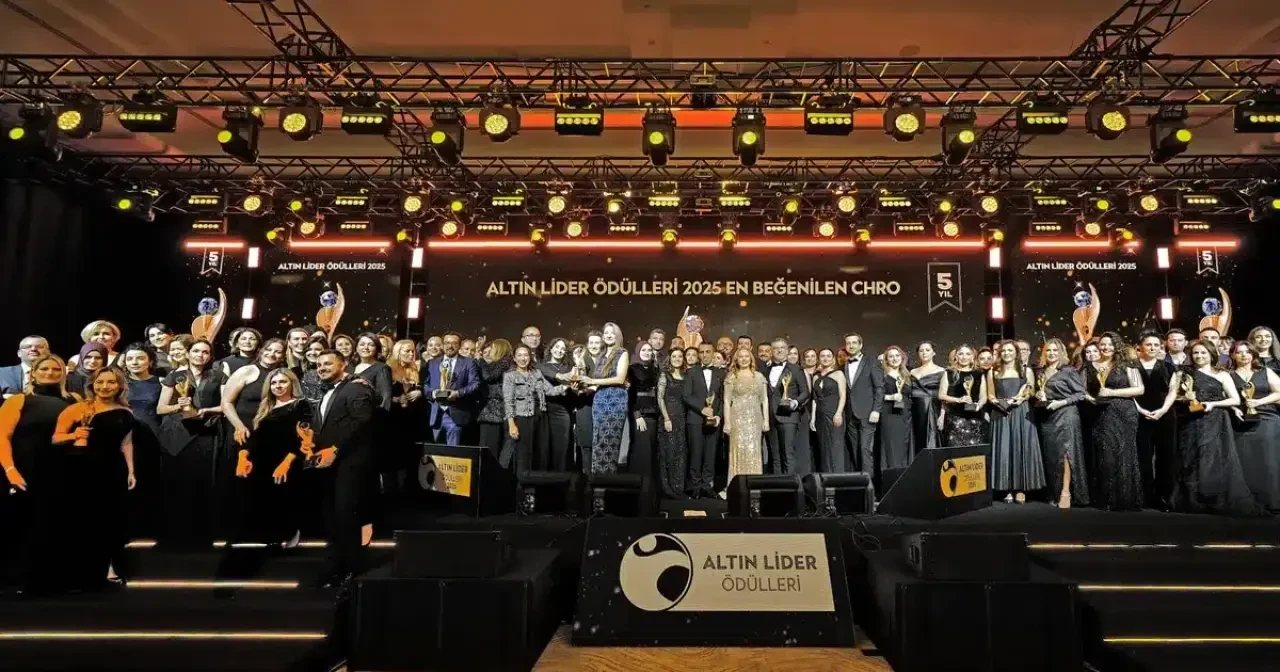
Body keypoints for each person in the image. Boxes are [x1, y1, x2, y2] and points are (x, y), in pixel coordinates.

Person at [218, 368, 312, 581]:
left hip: (287, 461)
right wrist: (244, 455)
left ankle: (287, 539)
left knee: (283, 502)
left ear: (292, 383)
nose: (278, 386)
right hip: (262, 463)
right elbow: (256, 437)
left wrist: (287, 463)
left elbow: (304, 438)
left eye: (283, 382)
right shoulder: (266, 406)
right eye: (274, 382)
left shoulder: (301, 405)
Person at [52, 367, 136, 590]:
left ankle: (109, 569)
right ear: (92, 384)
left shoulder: (125, 411)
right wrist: (74, 435)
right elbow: (56, 438)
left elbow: (126, 443)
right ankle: (80, 574)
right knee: (84, 520)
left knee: (111, 521)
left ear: (119, 386)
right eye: (100, 382)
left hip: (113, 470)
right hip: (83, 469)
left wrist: (131, 471)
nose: (104, 387)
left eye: (110, 382)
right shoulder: (78, 408)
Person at [1159, 341, 1261, 516]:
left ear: (1212, 354)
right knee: (1190, 458)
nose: (1199, 356)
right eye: (1196, 353)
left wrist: (1213, 404)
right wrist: (1162, 410)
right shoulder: (1182, 372)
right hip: (1189, 420)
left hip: (1215, 420)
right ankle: (1191, 500)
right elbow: (1172, 394)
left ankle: (1213, 499)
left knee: (1212, 459)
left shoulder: (1222, 374)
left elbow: (1235, 399)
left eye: (1203, 353)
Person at [0, 354, 75, 592]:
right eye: (44, 369)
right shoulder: (19, 400)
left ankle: (53, 579)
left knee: (57, 526)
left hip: (64, 471)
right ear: (33, 373)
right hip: (26, 470)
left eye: (56, 369)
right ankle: (18, 579)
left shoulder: (74, 400)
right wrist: (10, 470)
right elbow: (2, 437)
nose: (50, 373)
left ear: (63, 373)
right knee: (21, 525)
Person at [309, 351, 376, 589]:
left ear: (344, 364)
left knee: (347, 516)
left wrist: (336, 449)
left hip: (350, 462)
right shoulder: (327, 390)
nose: (322, 367)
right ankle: (336, 567)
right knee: (333, 517)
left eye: (328, 363)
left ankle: (352, 570)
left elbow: (362, 423)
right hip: (328, 463)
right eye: (319, 364)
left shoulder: (356, 388)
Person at [156, 339, 226, 549]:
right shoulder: (175, 376)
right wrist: (178, 406)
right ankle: (173, 537)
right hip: (177, 435)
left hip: (205, 434)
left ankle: (202, 537)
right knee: (176, 485)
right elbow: (160, 408)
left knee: (203, 485)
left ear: (210, 355)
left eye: (205, 352)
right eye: (196, 351)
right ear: (188, 353)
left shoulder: (219, 376)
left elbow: (225, 405)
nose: (200, 355)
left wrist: (206, 410)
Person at [1084, 332, 1145, 511]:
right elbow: (1082, 389)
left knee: (1125, 453)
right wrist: (1091, 399)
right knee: (1106, 454)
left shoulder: (1127, 364)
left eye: (1110, 344)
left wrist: (1112, 393)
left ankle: (1127, 499)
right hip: (1101, 413)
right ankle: (1107, 498)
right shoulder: (1090, 366)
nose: (1106, 347)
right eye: (1103, 344)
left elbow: (1139, 389)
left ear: (1117, 346)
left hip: (1125, 412)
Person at [987, 340, 1045, 503]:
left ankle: (1020, 489)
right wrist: (999, 402)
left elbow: (1030, 390)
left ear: (1016, 353)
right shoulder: (993, 372)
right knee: (1004, 450)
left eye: (1010, 350)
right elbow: (990, 394)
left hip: (1021, 413)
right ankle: (1006, 488)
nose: (1006, 353)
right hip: (1001, 413)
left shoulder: (1026, 370)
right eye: (1004, 351)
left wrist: (1020, 399)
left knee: (1021, 448)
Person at [1034, 339, 1089, 509]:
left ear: (1061, 352)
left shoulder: (1068, 371)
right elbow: (1038, 391)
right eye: (1048, 350)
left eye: (1055, 350)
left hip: (1066, 414)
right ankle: (1055, 492)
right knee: (1052, 456)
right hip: (1048, 417)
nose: (1051, 353)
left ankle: (1066, 492)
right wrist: (1038, 395)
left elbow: (1080, 394)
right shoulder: (1040, 372)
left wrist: (1061, 403)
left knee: (1067, 453)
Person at [1227, 342, 1280, 512]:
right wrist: (1234, 408)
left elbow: (1279, 392)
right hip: (1240, 420)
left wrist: (1259, 401)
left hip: (1267, 418)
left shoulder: (1265, 371)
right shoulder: (1228, 375)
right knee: (1246, 460)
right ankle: (1250, 502)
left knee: (1269, 460)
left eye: (1247, 352)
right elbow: (1223, 397)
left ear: (1253, 354)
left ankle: (1273, 501)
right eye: (1239, 352)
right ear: (1232, 355)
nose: (1244, 355)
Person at [502, 345, 566, 473]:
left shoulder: (537, 373)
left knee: (540, 452)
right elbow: (508, 401)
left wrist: (567, 386)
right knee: (523, 454)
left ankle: (536, 481)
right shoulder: (510, 376)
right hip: (522, 418)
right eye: (519, 355)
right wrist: (512, 425)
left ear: (530, 357)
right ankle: (522, 482)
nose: (523, 358)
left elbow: (550, 390)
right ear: (514, 358)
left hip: (540, 417)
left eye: (525, 355)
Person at [1134, 333, 1178, 509]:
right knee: (1142, 457)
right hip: (1139, 415)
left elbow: (1173, 391)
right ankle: (1144, 497)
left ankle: (1164, 497)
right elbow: (1129, 391)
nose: (1152, 348)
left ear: (1161, 346)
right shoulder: (1131, 366)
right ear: (1140, 346)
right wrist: (1140, 409)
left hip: (1165, 415)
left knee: (1166, 458)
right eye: (1148, 344)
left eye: (1156, 345)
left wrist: (1163, 410)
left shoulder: (1168, 367)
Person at [580, 323, 630, 474]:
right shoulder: (602, 356)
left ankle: (608, 479)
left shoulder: (622, 353)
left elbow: (620, 379)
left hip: (615, 400)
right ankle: (597, 479)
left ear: (617, 335)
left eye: (612, 332)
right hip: (600, 401)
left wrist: (592, 380)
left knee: (610, 441)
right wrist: (584, 387)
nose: (608, 335)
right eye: (606, 332)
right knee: (598, 440)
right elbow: (597, 384)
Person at [763, 338, 810, 476]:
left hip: (788, 415)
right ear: (771, 351)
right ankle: (778, 484)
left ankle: (791, 485)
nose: (779, 350)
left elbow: (805, 392)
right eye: (776, 348)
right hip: (770, 417)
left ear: (787, 350)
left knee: (788, 453)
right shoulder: (765, 370)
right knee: (775, 455)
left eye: (782, 348)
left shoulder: (796, 369)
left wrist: (795, 402)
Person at [723, 348, 768, 491]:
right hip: (737, 418)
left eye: (746, 356)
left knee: (753, 450)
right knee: (738, 450)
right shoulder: (731, 377)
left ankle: (754, 486)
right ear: (736, 359)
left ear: (751, 358)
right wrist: (727, 422)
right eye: (740, 357)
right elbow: (726, 401)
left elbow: (764, 399)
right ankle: (735, 487)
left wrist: (766, 420)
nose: (743, 359)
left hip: (755, 419)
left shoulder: (759, 376)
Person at [423, 333, 480, 446]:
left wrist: (457, 393)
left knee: (452, 453)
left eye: (454, 343)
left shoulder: (469, 363)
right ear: (443, 345)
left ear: (459, 346)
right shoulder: (432, 363)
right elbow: (425, 385)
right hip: (436, 415)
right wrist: (433, 393)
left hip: (456, 413)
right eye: (447, 343)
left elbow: (475, 384)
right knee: (434, 452)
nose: (450, 346)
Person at [683, 343, 723, 498]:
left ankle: (707, 486)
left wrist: (718, 415)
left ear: (713, 353)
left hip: (714, 420)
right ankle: (695, 486)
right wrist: (702, 409)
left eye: (708, 351)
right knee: (696, 454)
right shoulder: (691, 372)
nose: (705, 355)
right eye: (702, 352)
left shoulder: (721, 373)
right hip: (695, 419)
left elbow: (723, 398)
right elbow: (686, 396)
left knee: (710, 454)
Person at [841, 333, 884, 474]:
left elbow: (879, 387)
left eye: (854, 342)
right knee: (854, 450)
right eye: (848, 343)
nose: (851, 345)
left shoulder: (871, 362)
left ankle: (869, 483)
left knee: (865, 449)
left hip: (868, 412)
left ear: (861, 345)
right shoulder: (843, 366)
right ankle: (859, 480)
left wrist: (876, 410)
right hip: (850, 414)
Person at [876, 345, 914, 483]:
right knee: (891, 448)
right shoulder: (882, 375)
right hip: (890, 415)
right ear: (886, 359)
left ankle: (904, 482)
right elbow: (875, 396)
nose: (894, 358)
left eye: (897, 356)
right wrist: (890, 397)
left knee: (904, 448)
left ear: (902, 358)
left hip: (905, 416)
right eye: (891, 356)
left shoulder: (907, 375)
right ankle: (891, 482)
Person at [538, 338, 575, 471]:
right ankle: (544, 477)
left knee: (561, 446)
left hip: (562, 410)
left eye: (563, 349)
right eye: (557, 347)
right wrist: (561, 378)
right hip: (544, 410)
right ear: (551, 349)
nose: (559, 350)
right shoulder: (541, 366)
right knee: (544, 446)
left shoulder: (569, 368)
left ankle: (560, 476)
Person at [938, 345, 986, 447]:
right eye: (961, 354)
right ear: (956, 356)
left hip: (975, 418)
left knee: (974, 452)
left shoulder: (979, 374)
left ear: (973, 356)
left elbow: (983, 396)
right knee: (954, 450)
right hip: (954, 418)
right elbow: (941, 395)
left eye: (968, 354)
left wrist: (979, 405)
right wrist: (959, 400)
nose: (964, 357)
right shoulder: (949, 373)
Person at [656, 347, 688, 499]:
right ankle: (667, 488)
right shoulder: (665, 375)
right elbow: (660, 398)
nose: (677, 359)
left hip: (682, 417)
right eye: (674, 356)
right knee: (668, 452)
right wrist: (666, 418)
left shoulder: (686, 375)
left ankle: (678, 488)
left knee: (680, 453)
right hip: (669, 417)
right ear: (670, 358)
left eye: (680, 356)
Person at [476, 339, 514, 458]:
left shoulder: (504, 362)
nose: (489, 352)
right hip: (495, 411)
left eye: (492, 348)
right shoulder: (503, 363)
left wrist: (480, 360)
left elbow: (488, 376)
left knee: (489, 450)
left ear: (499, 349)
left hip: (493, 411)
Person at [811, 349, 847, 472]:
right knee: (823, 447)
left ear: (833, 359)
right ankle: (826, 477)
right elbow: (815, 399)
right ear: (819, 358)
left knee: (835, 446)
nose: (825, 358)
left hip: (834, 413)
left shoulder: (838, 374)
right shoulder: (816, 376)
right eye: (822, 356)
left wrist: (838, 413)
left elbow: (843, 395)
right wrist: (813, 418)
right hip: (820, 415)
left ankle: (837, 478)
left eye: (828, 356)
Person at [908, 341, 945, 456]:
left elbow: (944, 396)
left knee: (931, 439)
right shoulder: (912, 372)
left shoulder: (941, 371)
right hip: (914, 411)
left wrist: (942, 415)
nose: (924, 353)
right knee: (916, 440)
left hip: (932, 410)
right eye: (921, 351)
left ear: (934, 353)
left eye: (927, 350)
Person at [353, 334, 393, 411]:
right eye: (362, 344)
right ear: (356, 348)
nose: (366, 347)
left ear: (377, 349)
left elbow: (385, 399)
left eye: (371, 345)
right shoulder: (351, 367)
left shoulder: (382, 368)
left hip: (369, 414)